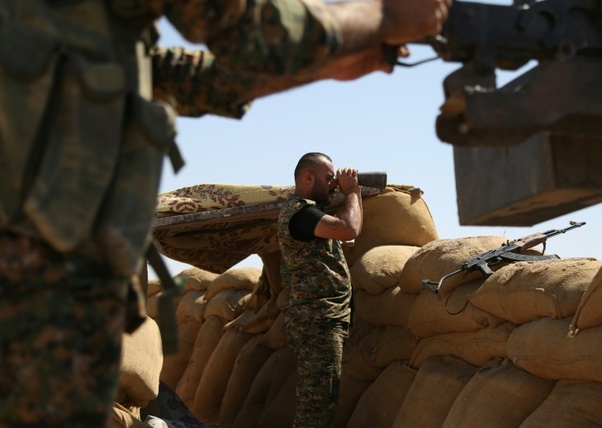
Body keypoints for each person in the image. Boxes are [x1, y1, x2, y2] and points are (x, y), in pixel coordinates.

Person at [0, 0, 451, 426]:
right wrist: (376, 18)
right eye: (327, 178)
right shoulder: (298, 212)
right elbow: (251, 30)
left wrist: (330, 58)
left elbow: (190, 76)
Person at [278, 152, 362, 427]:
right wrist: (352, 191)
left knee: (319, 406)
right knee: (316, 412)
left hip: (321, 320)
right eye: (328, 178)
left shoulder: (307, 215)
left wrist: (352, 192)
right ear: (307, 177)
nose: (333, 184)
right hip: (318, 323)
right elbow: (349, 228)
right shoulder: (301, 213)